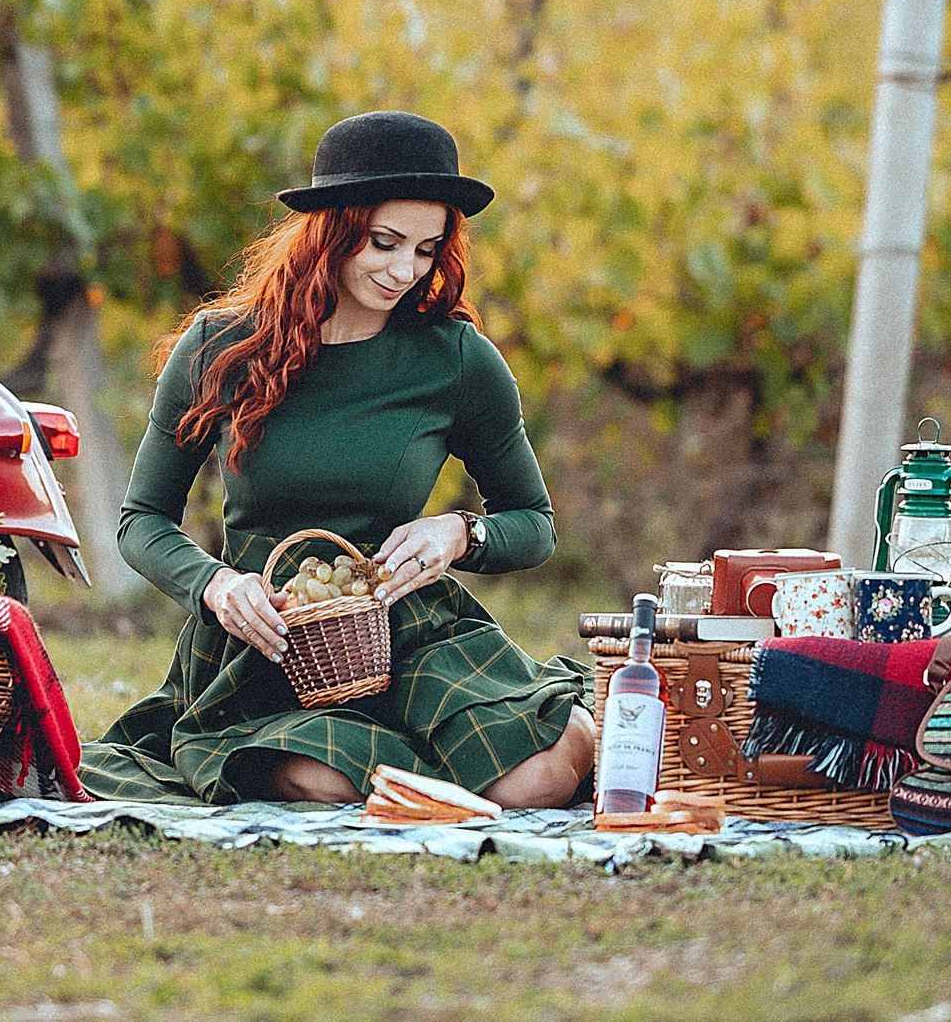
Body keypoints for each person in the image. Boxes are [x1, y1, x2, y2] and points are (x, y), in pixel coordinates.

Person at [80, 111, 595, 807]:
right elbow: (141, 519)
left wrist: (460, 532)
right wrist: (217, 586)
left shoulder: (459, 361)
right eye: (384, 242)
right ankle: (423, 781)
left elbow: (533, 522)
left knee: (546, 774)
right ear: (333, 229)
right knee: (324, 779)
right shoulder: (219, 346)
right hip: (270, 643)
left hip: (413, 627)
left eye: (425, 249)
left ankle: (500, 752)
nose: (404, 270)